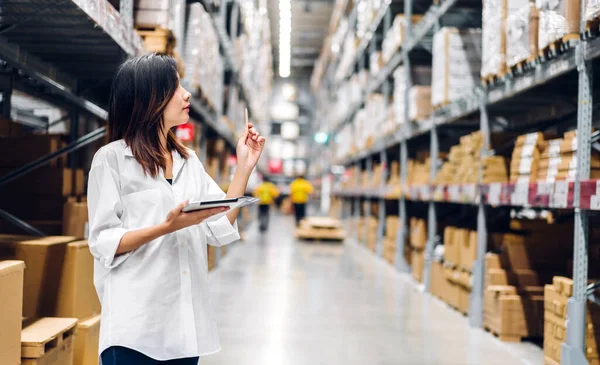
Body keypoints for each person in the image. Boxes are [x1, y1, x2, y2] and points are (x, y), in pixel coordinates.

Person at [87, 54, 265, 365]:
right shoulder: (111, 160)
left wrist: (244, 169)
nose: (187, 95)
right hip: (135, 329)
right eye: (176, 87)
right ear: (150, 97)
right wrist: (166, 227)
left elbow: (217, 227)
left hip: (184, 329)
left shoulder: (189, 161)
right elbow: (103, 242)